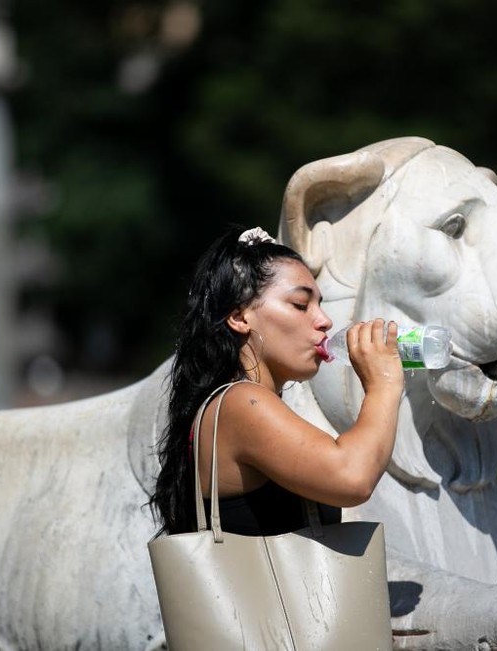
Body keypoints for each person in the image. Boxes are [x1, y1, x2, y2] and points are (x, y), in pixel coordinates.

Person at [149, 224, 404, 537]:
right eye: (300, 304)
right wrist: (384, 385)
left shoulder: (238, 401)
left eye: (320, 304)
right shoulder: (241, 403)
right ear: (240, 317)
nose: (324, 321)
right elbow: (353, 478)